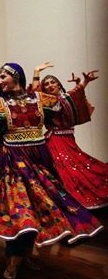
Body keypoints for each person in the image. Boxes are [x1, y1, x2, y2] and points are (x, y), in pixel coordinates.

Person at [0, 63, 103, 279]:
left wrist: (83, 83)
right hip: (11, 163)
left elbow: (65, 106)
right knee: (16, 210)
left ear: (16, 77)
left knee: (38, 208)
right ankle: (12, 260)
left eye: (3, 77)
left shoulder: (38, 100)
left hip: (39, 161)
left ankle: (25, 255)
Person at [32, 66, 108, 209]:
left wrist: (83, 83)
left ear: (59, 85)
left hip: (68, 140)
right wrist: (36, 72)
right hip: (54, 140)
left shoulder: (63, 99)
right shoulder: (47, 102)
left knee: (79, 166)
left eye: (52, 82)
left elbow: (73, 98)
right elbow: (34, 95)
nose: (49, 85)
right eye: (46, 84)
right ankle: (63, 201)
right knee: (64, 169)